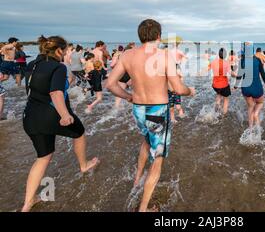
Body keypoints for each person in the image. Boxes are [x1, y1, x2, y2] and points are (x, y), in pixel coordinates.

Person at [106, 19, 195, 212]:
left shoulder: (128, 55)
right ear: (158, 36)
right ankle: (143, 209)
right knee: (158, 159)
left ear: (140, 35)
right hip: (158, 111)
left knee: (146, 141)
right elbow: (178, 88)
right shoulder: (164, 56)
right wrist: (191, 91)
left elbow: (110, 84)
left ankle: (137, 178)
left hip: (138, 109)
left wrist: (129, 97)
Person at [22, 36, 99, 212]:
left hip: (30, 116)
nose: (66, 55)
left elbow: (44, 85)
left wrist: (65, 75)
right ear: (58, 51)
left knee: (43, 156)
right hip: (52, 114)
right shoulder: (58, 66)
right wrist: (65, 115)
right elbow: (56, 92)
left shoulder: (32, 64)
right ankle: (84, 165)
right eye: (64, 52)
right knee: (79, 133)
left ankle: (28, 202)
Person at [234, 44, 265, 128]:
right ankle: (256, 115)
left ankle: (250, 128)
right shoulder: (258, 60)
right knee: (260, 102)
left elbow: (239, 75)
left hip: (245, 88)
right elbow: (263, 75)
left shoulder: (242, 61)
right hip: (256, 88)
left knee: (250, 107)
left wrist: (235, 86)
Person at [210, 48, 233, 115]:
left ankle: (216, 109)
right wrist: (237, 75)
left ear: (219, 54)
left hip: (215, 85)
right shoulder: (226, 63)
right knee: (226, 99)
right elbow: (231, 73)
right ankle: (224, 115)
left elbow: (206, 69)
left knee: (219, 95)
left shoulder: (213, 62)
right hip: (224, 85)